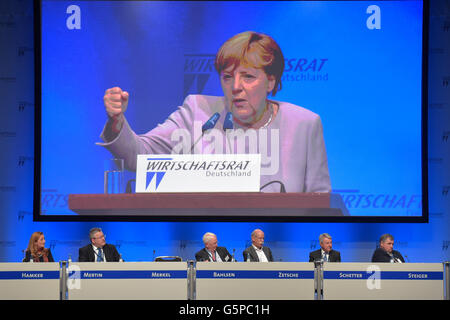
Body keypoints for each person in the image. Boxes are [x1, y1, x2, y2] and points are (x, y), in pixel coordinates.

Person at [98, 31, 331, 193]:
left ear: (270, 82)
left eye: (248, 76)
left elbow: (320, 202)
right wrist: (117, 123)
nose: (236, 86)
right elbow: (140, 156)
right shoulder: (198, 111)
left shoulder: (305, 124)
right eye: (227, 77)